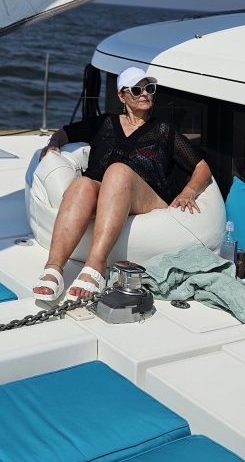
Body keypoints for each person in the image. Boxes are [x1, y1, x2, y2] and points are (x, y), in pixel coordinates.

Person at [33, 66, 212, 303]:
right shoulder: (105, 123)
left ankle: (96, 267)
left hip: (148, 195)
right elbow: (65, 133)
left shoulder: (164, 131)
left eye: (149, 88)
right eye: (137, 90)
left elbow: (202, 167)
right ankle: (54, 268)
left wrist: (189, 191)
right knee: (82, 185)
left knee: (117, 172)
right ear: (122, 96)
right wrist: (53, 144)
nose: (145, 94)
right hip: (106, 192)